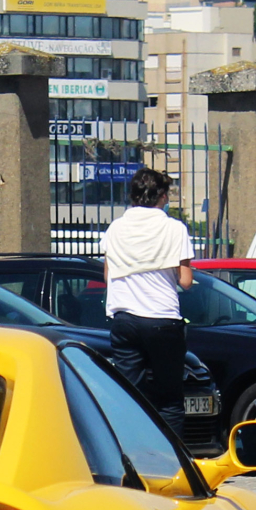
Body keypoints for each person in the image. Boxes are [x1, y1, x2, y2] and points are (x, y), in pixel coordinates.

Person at [99, 166, 194, 437]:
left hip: (124, 318)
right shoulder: (174, 228)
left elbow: (108, 274)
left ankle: (131, 453)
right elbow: (185, 281)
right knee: (170, 397)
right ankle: (171, 458)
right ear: (161, 196)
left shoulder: (115, 228)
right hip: (162, 317)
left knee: (130, 394)